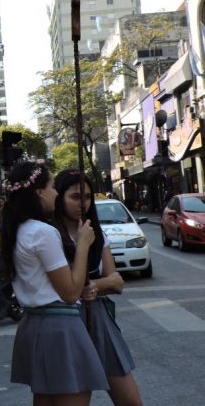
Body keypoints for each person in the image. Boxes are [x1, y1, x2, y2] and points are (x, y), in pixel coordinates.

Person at [0, 160, 107, 405]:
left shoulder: (16, 229)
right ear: (38, 192)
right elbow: (70, 292)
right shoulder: (42, 232)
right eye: (52, 187)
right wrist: (82, 246)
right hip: (59, 327)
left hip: (35, 324)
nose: (56, 193)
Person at [53, 170, 143, 406]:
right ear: (59, 197)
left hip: (99, 317)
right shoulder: (50, 236)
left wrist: (95, 285)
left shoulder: (96, 233)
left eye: (87, 197)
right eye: (74, 197)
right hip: (67, 321)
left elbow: (116, 281)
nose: (82, 203)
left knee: (131, 401)